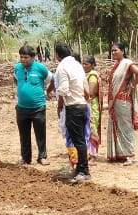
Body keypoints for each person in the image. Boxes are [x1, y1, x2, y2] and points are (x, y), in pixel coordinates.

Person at [53, 42, 90, 184]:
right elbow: (85, 88)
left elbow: (63, 89)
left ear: (57, 55)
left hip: (72, 107)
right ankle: (80, 168)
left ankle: (83, 170)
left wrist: (60, 106)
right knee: (81, 139)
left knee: (78, 140)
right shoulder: (77, 65)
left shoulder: (62, 67)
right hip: (82, 105)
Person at [107, 41, 138, 164]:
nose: (113, 53)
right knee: (118, 127)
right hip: (116, 100)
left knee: (126, 127)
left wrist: (131, 86)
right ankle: (121, 154)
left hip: (123, 101)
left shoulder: (127, 63)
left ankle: (130, 155)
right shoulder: (117, 65)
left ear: (123, 51)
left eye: (115, 50)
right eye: (112, 51)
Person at [14, 45, 49, 165]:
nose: (23, 59)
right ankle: (25, 158)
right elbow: (16, 80)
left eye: (26, 57)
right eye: (21, 57)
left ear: (33, 57)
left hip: (38, 107)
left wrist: (47, 92)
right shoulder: (17, 68)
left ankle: (42, 157)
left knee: (40, 134)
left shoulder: (40, 68)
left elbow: (52, 79)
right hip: (22, 108)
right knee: (24, 135)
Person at [83, 55, 103, 162]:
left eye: (86, 64)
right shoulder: (85, 74)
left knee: (92, 128)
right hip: (85, 103)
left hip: (91, 105)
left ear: (92, 65)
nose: (84, 66)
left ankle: (93, 155)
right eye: (83, 63)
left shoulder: (92, 76)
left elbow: (90, 92)